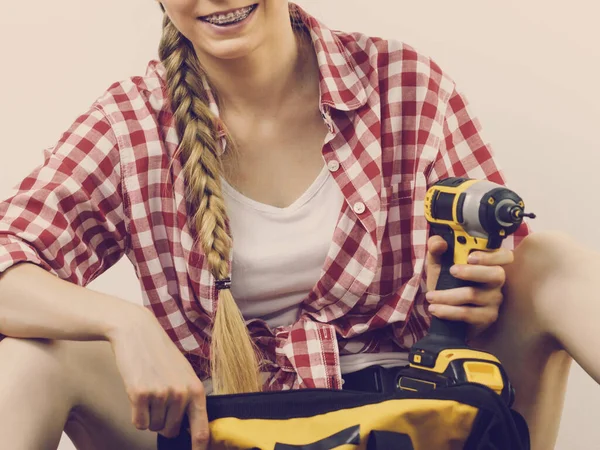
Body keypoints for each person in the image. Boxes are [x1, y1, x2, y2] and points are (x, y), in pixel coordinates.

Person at [0, 2, 589, 450]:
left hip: (409, 416)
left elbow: (498, 269)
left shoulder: (404, 82)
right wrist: (123, 323)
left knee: (554, 263)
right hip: (225, 426)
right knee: (31, 357)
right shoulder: (128, 124)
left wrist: (476, 286)